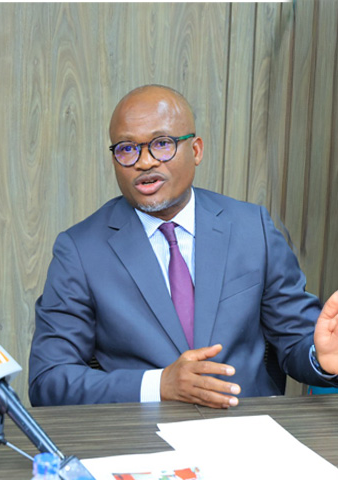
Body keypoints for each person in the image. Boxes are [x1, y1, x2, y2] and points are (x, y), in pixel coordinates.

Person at [28, 84, 338, 409]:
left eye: (162, 144)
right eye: (126, 148)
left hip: (246, 425)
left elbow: (298, 339)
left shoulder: (253, 229)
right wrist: (158, 385)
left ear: (196, 150)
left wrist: (323, 358)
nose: (144, 162)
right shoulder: (80, 251)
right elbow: (49, 380)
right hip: (142, 433)